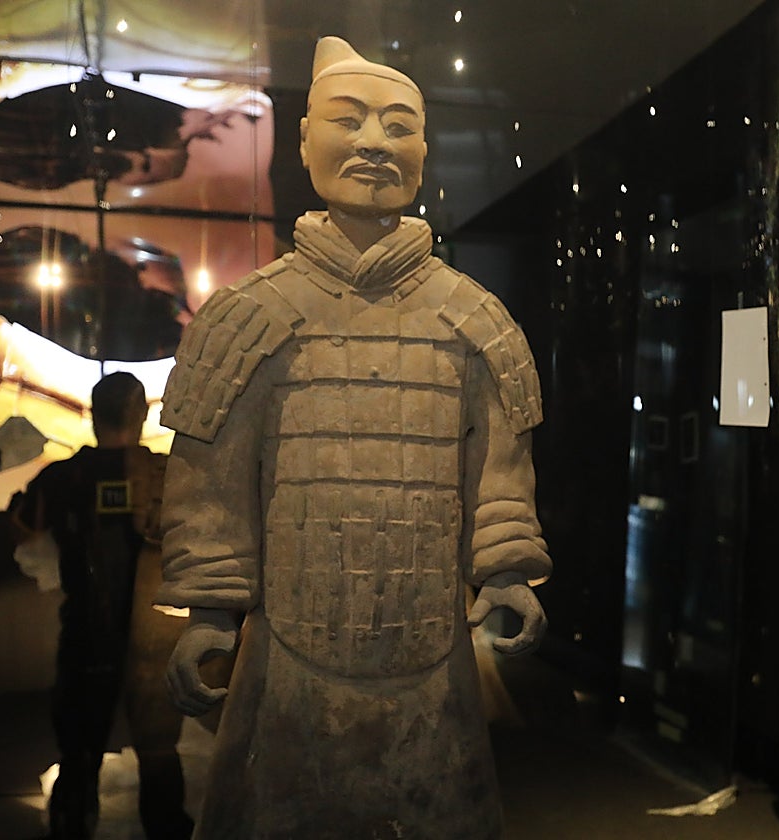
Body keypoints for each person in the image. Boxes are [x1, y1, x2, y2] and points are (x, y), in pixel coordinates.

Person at [154, 36, 550, 839]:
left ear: (426, 153)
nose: (374, 142)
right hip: (286, 660)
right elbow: (212, 482)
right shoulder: (248, 316)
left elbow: (501, 473)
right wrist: (211, 612)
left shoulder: (475, 320)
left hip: (431, 656)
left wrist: (506, 571)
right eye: (349, 120)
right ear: (304, 142)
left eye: (399, 126)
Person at [10, 371, 194, 840]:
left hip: (87, 632)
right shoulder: (167, 475)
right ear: (142, 416)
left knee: (79, 750)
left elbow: (24, 525)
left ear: (94, 416)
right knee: (158, 752)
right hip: (154, 640)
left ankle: (72, 827)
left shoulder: (64, 476)